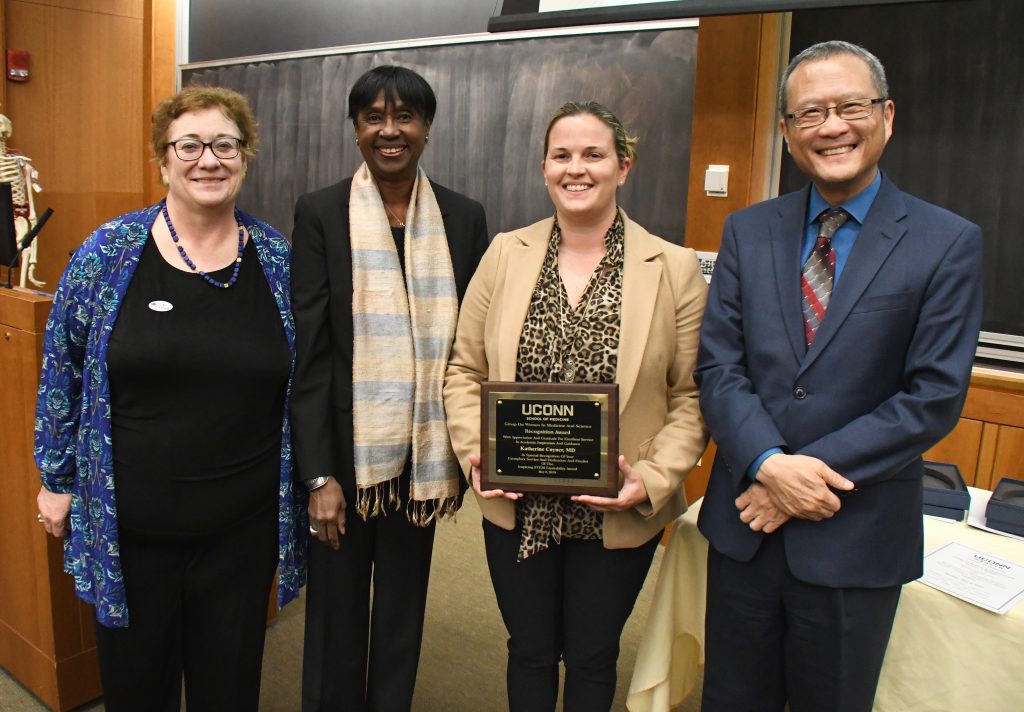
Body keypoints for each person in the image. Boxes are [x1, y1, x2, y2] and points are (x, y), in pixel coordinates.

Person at [695, 40, 983, 712]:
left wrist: (796, 477)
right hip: (745, 535)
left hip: (855, 538)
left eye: (850, 107)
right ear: (788, 133)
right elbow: (719, 367)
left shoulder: (947, 241)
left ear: (886, 116)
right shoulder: (747, 231)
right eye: (810, 114)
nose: (832, 127)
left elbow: (932, 397)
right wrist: (767, 462)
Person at [33, 85, 305, 711]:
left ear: (245, 156)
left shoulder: (277, 260)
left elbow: (300, 385)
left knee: (228, 690)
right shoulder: (107, 253)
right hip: (132, 532)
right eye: (190, 145)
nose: (208, 159)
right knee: (137, 693)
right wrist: (55, 477)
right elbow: (61, 372)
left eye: (225, 145)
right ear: (163, 159)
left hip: (242, 532)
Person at [444, 100, 708, 712]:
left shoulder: (674, 268)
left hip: (618, 503)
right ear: (544, 169)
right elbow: (464, 369)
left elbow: (692, 394)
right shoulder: (505, 254)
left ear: (624, 166)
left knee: (594, 655)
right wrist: (475, 449)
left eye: (594, 154)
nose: (577, 168)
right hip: (517, 498)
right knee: (529, 649)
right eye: (562, 155)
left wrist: (654, 477)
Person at [291, 65, 489, 712]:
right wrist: (318, 475)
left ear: (426, 127)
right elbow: (312, 356)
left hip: (425, 455)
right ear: (356, 130)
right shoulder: (320, 213)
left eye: (404, 116)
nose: (389, 130)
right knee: (336, 617)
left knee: (404, 614)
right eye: (373, 117)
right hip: (349, 457)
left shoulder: (463, 218)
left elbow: (471, 348)